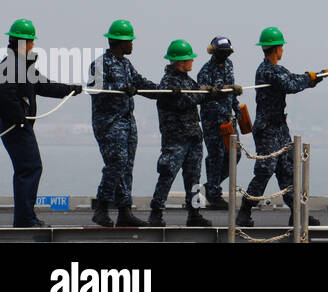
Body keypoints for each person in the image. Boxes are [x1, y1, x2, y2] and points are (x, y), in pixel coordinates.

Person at [236, 27, 328, 227]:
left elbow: (294, 79)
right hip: (267, 130)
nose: (283, 50)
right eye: (281, 46)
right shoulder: (267, 70)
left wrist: (322, 74)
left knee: (288, 171)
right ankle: (244, 211)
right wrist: (312, 77)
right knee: (265, 170)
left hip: (280, 129)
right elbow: (291, 85)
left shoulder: (277, 69)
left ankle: (297, 213)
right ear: (276, 49)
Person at [0, 19, 82, 226]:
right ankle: (25, 220)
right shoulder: (11, 65)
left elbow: (44, 85)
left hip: (18, 124)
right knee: (30, 168)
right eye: (31, 42)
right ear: (23, 42)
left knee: (29, 168)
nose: (33, 46)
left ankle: (25, 218)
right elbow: (4, 94)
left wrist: (69, 89)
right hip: (15, 126)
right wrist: (19, 117)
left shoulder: (20, 65)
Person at [88, 20, 164, 228]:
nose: (132, 44)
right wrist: (123, 87)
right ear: (120, 42)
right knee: (117, 162)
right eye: (130, 41)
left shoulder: (125, 63)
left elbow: (140, 82)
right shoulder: (100, 64)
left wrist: (163, 91)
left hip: (127, 123)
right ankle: (102, 207)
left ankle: (124, 211)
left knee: (126, 167)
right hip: (109, 123)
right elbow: (97, 90)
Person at [149, 40, 214, 227]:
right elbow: (189, 99)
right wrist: (206, 93)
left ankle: (195, 213)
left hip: (193, 135)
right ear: (180, 61)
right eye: (189, 58)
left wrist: (207, 91)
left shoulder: (186, 80)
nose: (192, 61)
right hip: (176, 137)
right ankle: (156, 212)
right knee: (168, 172)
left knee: (194, 177)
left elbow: (196, 94)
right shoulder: (169, 82)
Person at [196, 36, 242, 209]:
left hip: (229, 119)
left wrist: (236, 107)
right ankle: (214, 194)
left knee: (235, 155)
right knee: (216, 156)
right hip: (213, 121)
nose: (225, 56)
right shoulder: (205, 71)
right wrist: (223, 108)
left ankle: (210, 186)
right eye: (222, 52)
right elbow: (205, 98)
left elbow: (230, 92)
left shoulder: (229, 65)